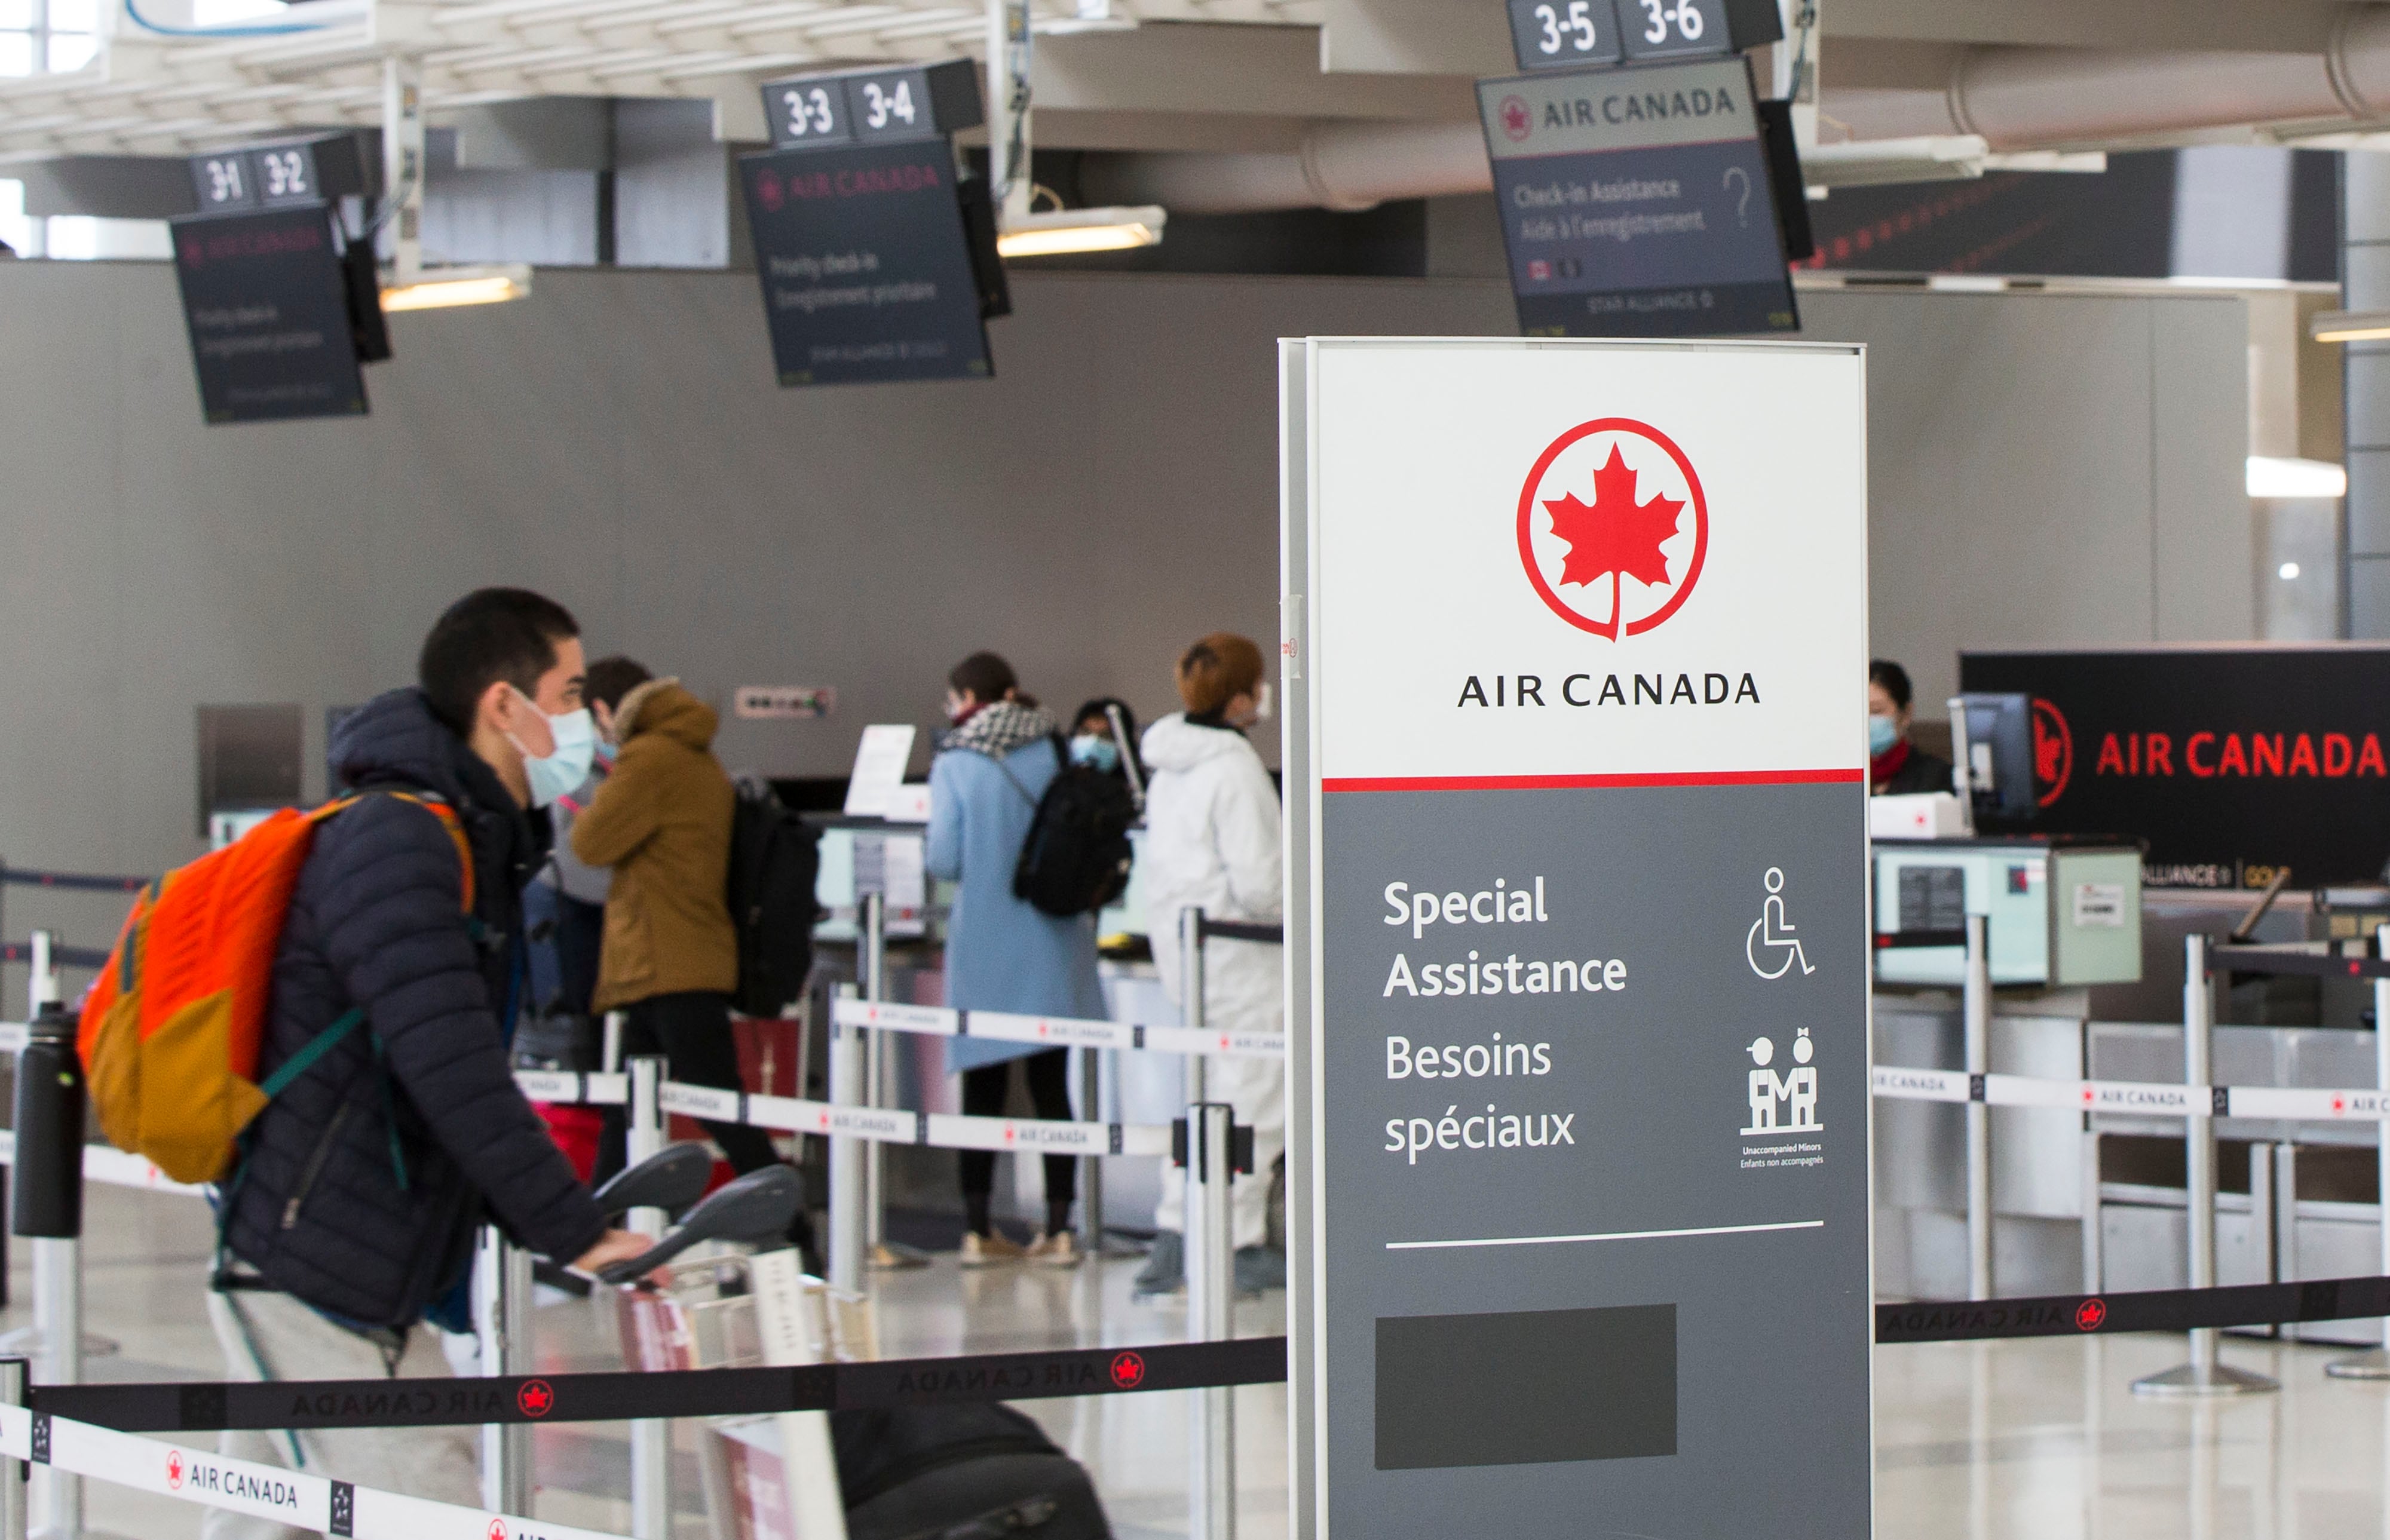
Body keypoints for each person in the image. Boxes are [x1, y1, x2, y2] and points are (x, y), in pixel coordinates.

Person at [209, 589, 654, 1536]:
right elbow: (448, 1060)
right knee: (434, 1506)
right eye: (570, 692)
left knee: (269, 1520)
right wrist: (572, 1228)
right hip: (322, 1257)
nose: (586, 720)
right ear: (504, 705)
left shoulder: (458, 832)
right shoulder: (401, 837)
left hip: (323, 1244)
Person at [570, 658, 814, 1257]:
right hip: (673, 959)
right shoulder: (691, 750)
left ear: (605, 710)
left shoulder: (649, 758)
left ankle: (795, 1236)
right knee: (628, 1108)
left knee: (719, 1107)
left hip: (668, 961)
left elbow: (589, 841)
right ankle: (588, 1235)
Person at [926, 652, 1108, 1267]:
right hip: (1053, 932)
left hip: (983, 938)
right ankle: (1059, 1228)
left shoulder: (954, 760)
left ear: (965, 699)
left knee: (983, 1088)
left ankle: (977, 1230)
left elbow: (942, 861)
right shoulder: (1057, 748)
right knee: (1051, 1087)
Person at [1133, 633, 1287, 1297]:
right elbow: (1262, 885)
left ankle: (1175, 1235)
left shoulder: (1169, 766)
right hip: (1243, 963)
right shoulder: (1233, 769)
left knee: (1199, 1098)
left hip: (1186, 959)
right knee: (1255, 1099)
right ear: (1241, 696)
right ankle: (1237, 1242)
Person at [1870, 659, 1954, 796]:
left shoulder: (1936, 778)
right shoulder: (1845, 781)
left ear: (1906, 713)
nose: (1867, 721)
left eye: (1876, 711)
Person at [1067, 697, 1142, 787]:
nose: (1093, 742)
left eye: (1105, 736)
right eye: (1085, 732)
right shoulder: (1059, 789)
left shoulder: (1138, 790)